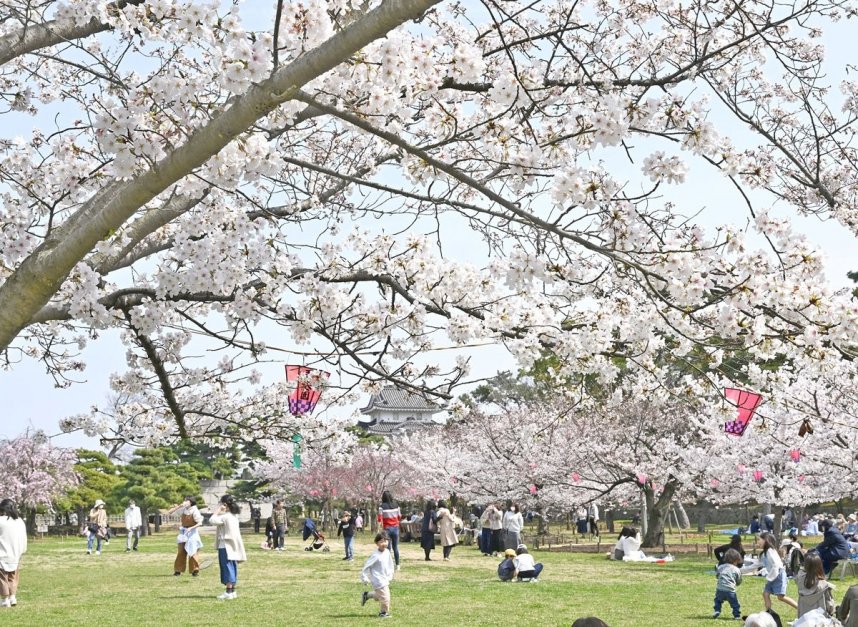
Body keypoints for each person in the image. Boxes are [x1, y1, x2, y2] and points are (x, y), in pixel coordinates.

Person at [743, 532, 798, 612]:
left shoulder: (770, 551)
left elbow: (777, 565)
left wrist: (769, 577)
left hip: (779, 575)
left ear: (766, 540)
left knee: (780, 597)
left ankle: (800, 608)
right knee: (765, 594)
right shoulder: (763, 554)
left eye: (759, 539)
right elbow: (754, 566)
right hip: (772, 576)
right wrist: (740, 570)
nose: (758, 541)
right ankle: (769, 613)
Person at [210, 494, 246, 600]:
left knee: (226, 567)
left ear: (225, 504)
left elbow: (212, 520)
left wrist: (218, 510)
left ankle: (228, 592)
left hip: (225, 545)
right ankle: (232, 590)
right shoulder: (234, 516)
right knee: (232, 566)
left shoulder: (225, 517)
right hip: (233, 545)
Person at [360, 531, 395, 619]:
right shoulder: (375, 555)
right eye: (381, 542)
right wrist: (364, 578)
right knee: (386, 597)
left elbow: (390, 564)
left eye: (386, 541)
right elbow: (366, 566)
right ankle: (383, 613)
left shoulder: (387, 551)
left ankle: (367, 595)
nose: (384, 543)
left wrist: (390, 574)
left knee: (380, 595)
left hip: (384, 578)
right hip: (378, 579)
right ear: (377, 543)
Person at [0, 499, 27, 608]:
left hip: (2, 552)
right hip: (16, 553)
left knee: (2, 578)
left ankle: (5, 599)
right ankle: (13, 597)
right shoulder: (19, 521)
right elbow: (24, 537)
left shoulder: (1, 521)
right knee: (13, 576)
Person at [168, 496, 203, 576]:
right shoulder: (183, 509)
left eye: (186, 500)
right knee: (181, 551)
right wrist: (179, 506)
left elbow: (199, 523)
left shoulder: (195, 511)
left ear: (191, 502)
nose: (185, 502)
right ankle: (178, 570)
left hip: (192, 533)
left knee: (192, 551)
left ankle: (195, 570)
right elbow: (170, 512)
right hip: (183, 532)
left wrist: (191, 528)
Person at [795, 552, 835, 618]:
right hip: (820, 620)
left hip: (803, 619)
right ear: (820, 566)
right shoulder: (824, 585)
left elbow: (800, 572)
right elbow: (830, 606)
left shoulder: (799, 580)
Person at [713, 548, 743, 620]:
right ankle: (737, 615)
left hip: (720, 589)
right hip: (730, 590)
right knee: (734, 603)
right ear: (736, 560)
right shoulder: (736, 569)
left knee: (718, 600)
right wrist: (737, 583)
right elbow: (739, 579)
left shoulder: (721, 567)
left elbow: (717, 575)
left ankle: (717, 610)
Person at [378, 491, 402, 571]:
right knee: (395, 547)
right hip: (395, 528)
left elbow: (379, 518)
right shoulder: (396, 505)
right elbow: (399, 517)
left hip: (387, 528)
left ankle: (388, 564)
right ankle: (398, 564)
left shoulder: (382, 507)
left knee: (387, 548)